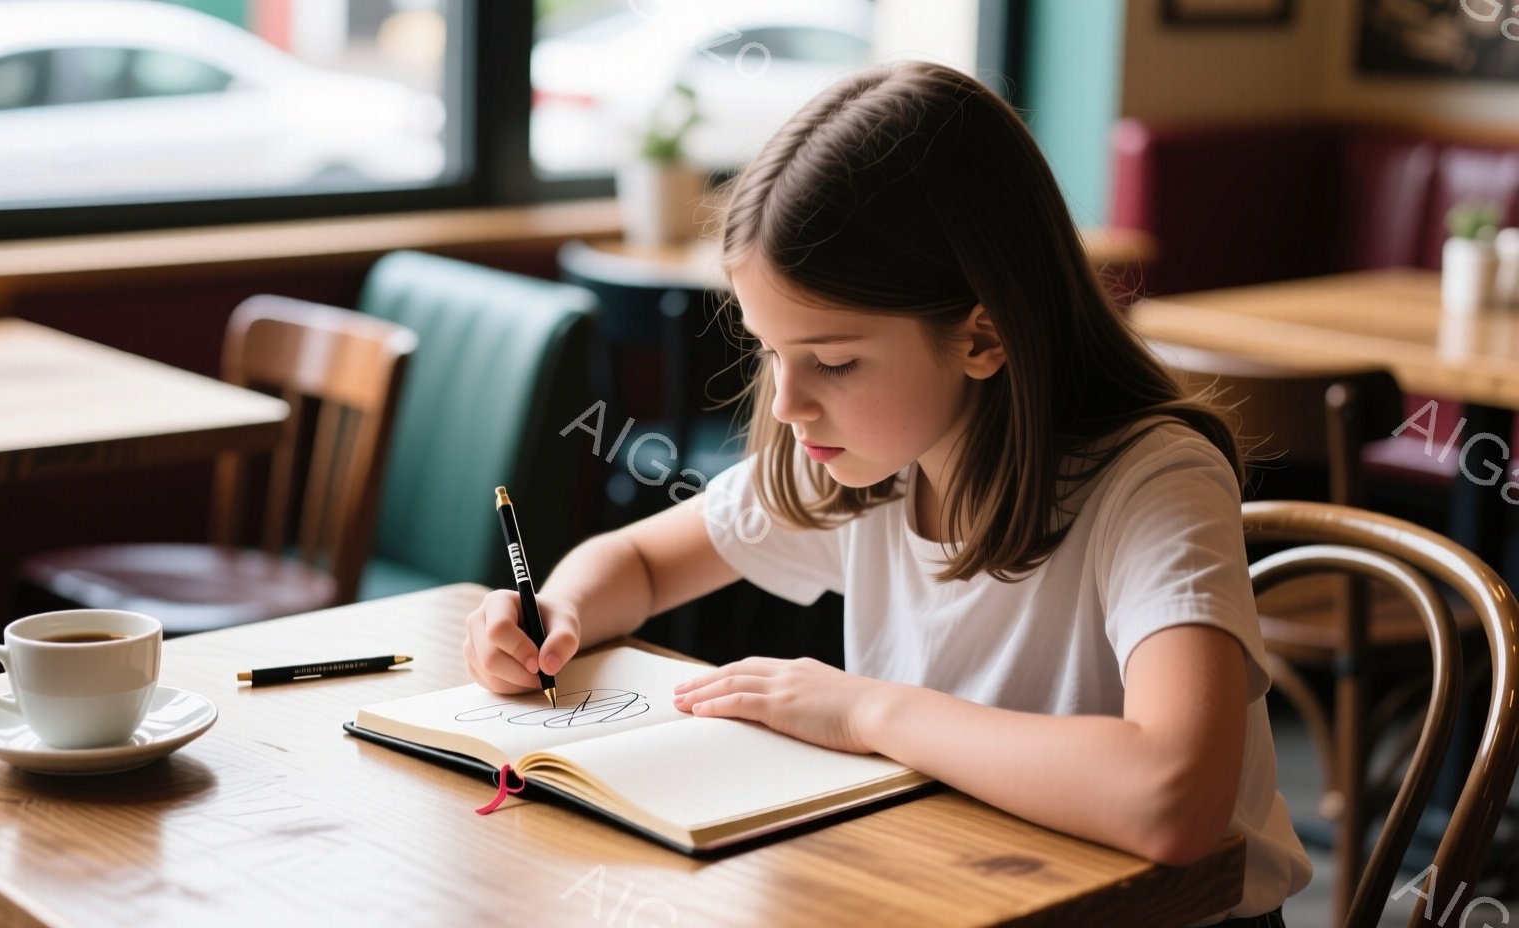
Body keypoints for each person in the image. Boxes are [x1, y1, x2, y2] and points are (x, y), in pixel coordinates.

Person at [463, 60, 1310, 926]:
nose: (786, 404)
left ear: (982, 336)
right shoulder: (861, 464)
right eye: (770, 351)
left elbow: (1174, 798)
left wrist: (866, 708)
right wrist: (556, 612)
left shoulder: (1154, 483)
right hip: (962, 885)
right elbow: (641, 562)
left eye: (834, 361)